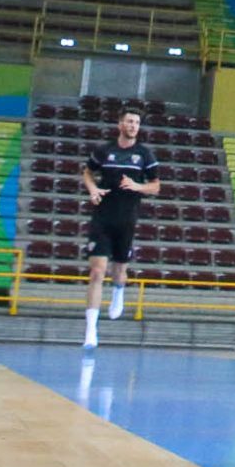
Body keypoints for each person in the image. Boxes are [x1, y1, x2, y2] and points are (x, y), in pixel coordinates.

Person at [79, 106, 159, 348]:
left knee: (119, 272)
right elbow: (87, 173)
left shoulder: (144, 154)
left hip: (127, 219)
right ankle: (91, 331)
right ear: (120, 124)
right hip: (102, 217)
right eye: (129, 121)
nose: (133, 125)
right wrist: (92, 189)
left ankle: (118, 291)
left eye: (136, 122)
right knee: (96, 272)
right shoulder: (104, 150)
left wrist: (137, 186)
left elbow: (156, 186)